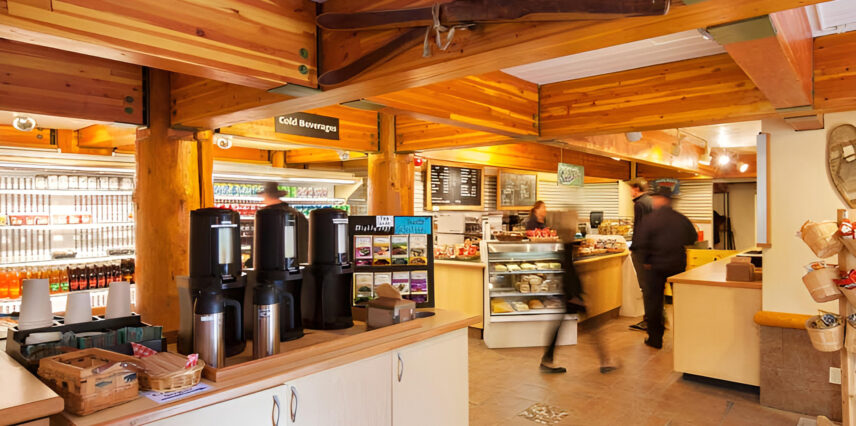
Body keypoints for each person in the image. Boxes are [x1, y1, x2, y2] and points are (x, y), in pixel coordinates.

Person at [540, 210, 617, 374]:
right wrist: (575, 295)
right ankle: (605, 360)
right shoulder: (566, 245)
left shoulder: (565, 244)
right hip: (572, 293)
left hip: (569, 292)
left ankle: (547, 359)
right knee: (593, 324)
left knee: (563, 325)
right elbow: (568, 272)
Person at [632, 186, 698, 349]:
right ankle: (686, 335)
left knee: (653, 302)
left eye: (655, 198)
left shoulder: (650, 219)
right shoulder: (681, 219)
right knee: (681, 300)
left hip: (654, 266)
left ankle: (655, 339)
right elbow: (693, 237)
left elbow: (639, 243)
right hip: (677, 263)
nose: (653, 201)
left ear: (662, 200)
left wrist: (645, 259)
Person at [627, 178, 653, 331]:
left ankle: (649, 320)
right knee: (653, 287)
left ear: (636, 189)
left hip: (643, 251)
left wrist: (634, 247)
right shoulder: (651, 201)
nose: (630, 192)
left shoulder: (640, 204)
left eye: (631, 189)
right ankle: (657, 318)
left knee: (646, 287)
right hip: (653, 250)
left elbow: (640, 228)